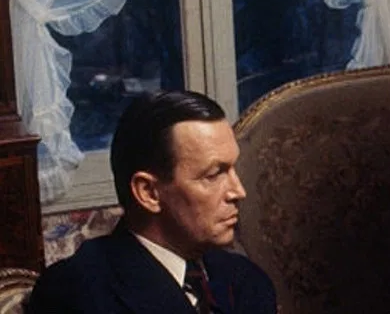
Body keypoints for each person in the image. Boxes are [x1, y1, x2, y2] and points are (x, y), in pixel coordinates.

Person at [27, 91, 277, 314]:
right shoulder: (76, 294)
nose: (238, 192)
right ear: (148, 192)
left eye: (233, 169)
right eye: (213, 175)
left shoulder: (246, 280)